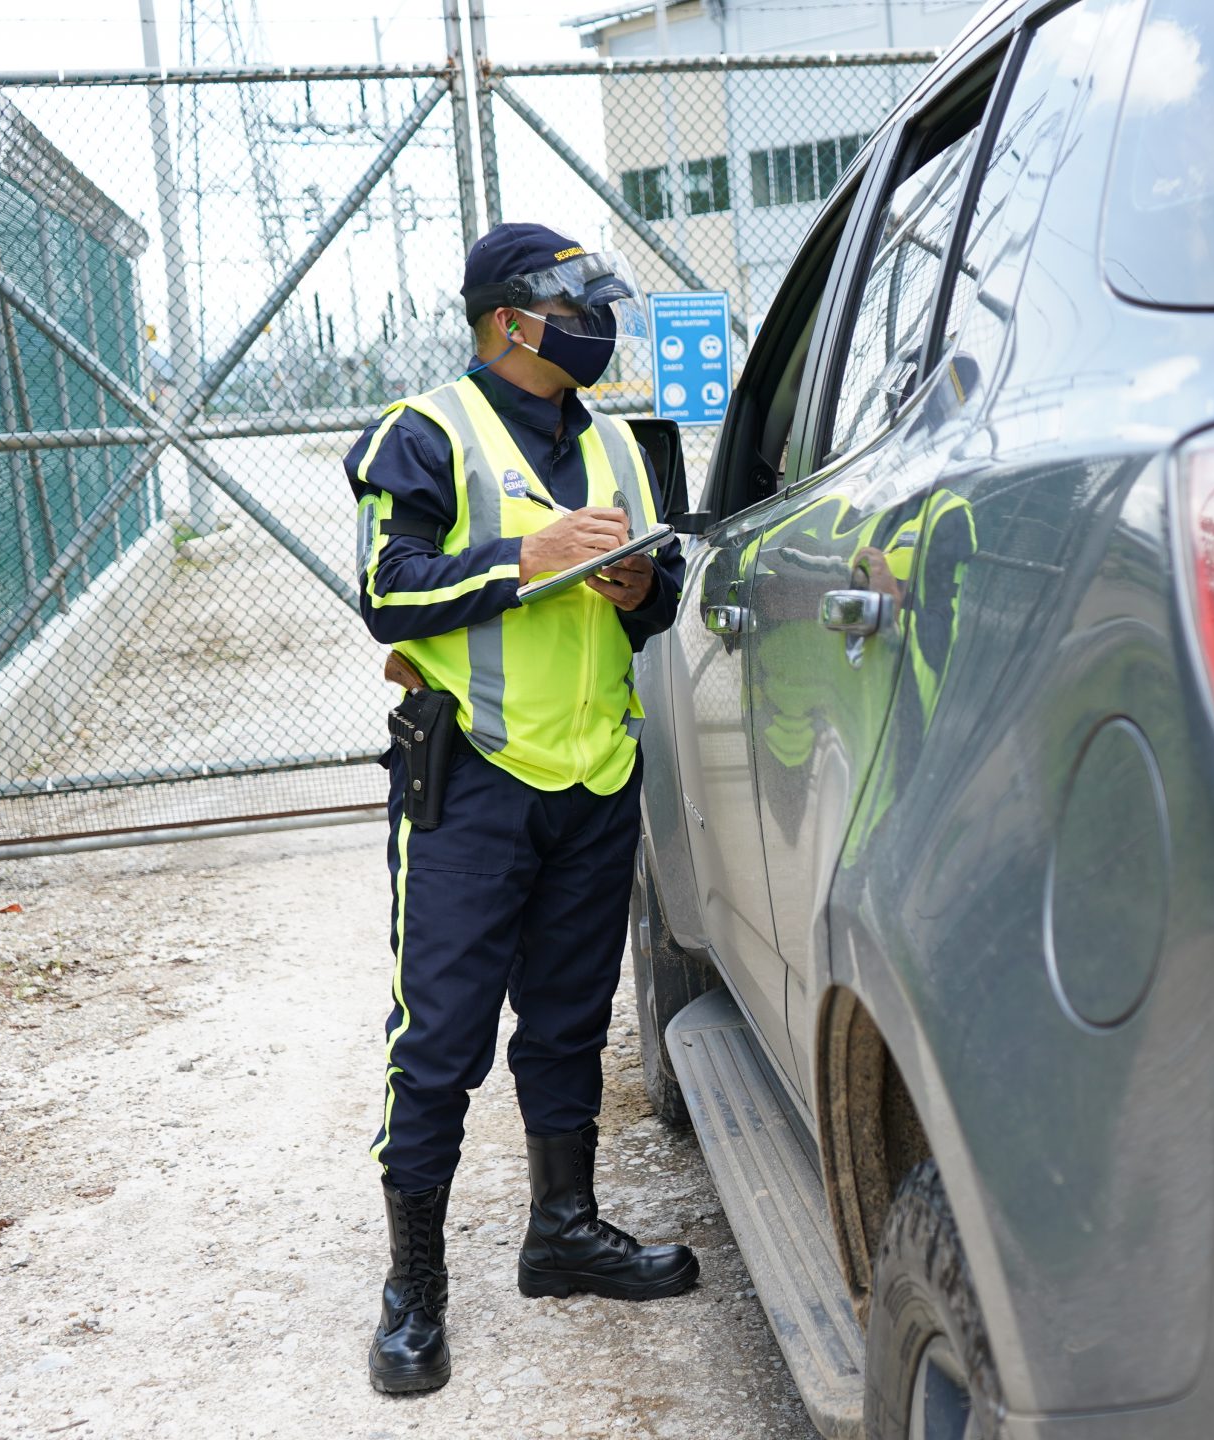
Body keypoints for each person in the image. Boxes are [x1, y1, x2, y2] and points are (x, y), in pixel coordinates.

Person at [341, 223, 692, 1397]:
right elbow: (389, 594)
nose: (591, 323)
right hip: (474, 783)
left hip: (595, 776)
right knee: (439, 1039)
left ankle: (563, 1232)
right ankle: (413, 1291)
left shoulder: (618, 443)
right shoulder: (425, 433)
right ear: (508, 321)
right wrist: (528, 556)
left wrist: (640, 583)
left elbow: (654, 597)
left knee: (565, 1020)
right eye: (569, 305)